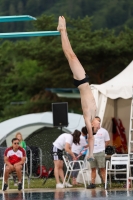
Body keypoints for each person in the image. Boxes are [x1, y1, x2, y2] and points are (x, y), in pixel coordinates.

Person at [57, 16, 100, 161]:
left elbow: (91, 139)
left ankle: (62, 30)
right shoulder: (95, 115)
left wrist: (91, 154)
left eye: (97, 126)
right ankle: (63, 30)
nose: (99, 125)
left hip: (81, 82)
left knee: (71, 55)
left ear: (91, 127)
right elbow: (93, 136)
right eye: (98, 124)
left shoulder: (88, 119)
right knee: (70, 55)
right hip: (84, 81)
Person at [87, 116, 110, 189]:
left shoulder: (104, 131)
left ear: (99, 122)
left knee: (102, 168)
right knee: (93, 168)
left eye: (96, 121)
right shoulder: (90, 130)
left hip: (100, 152)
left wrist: (102, 148)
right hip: (92, 153)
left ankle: (105, 183)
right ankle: (92, 183)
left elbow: (107, 141)